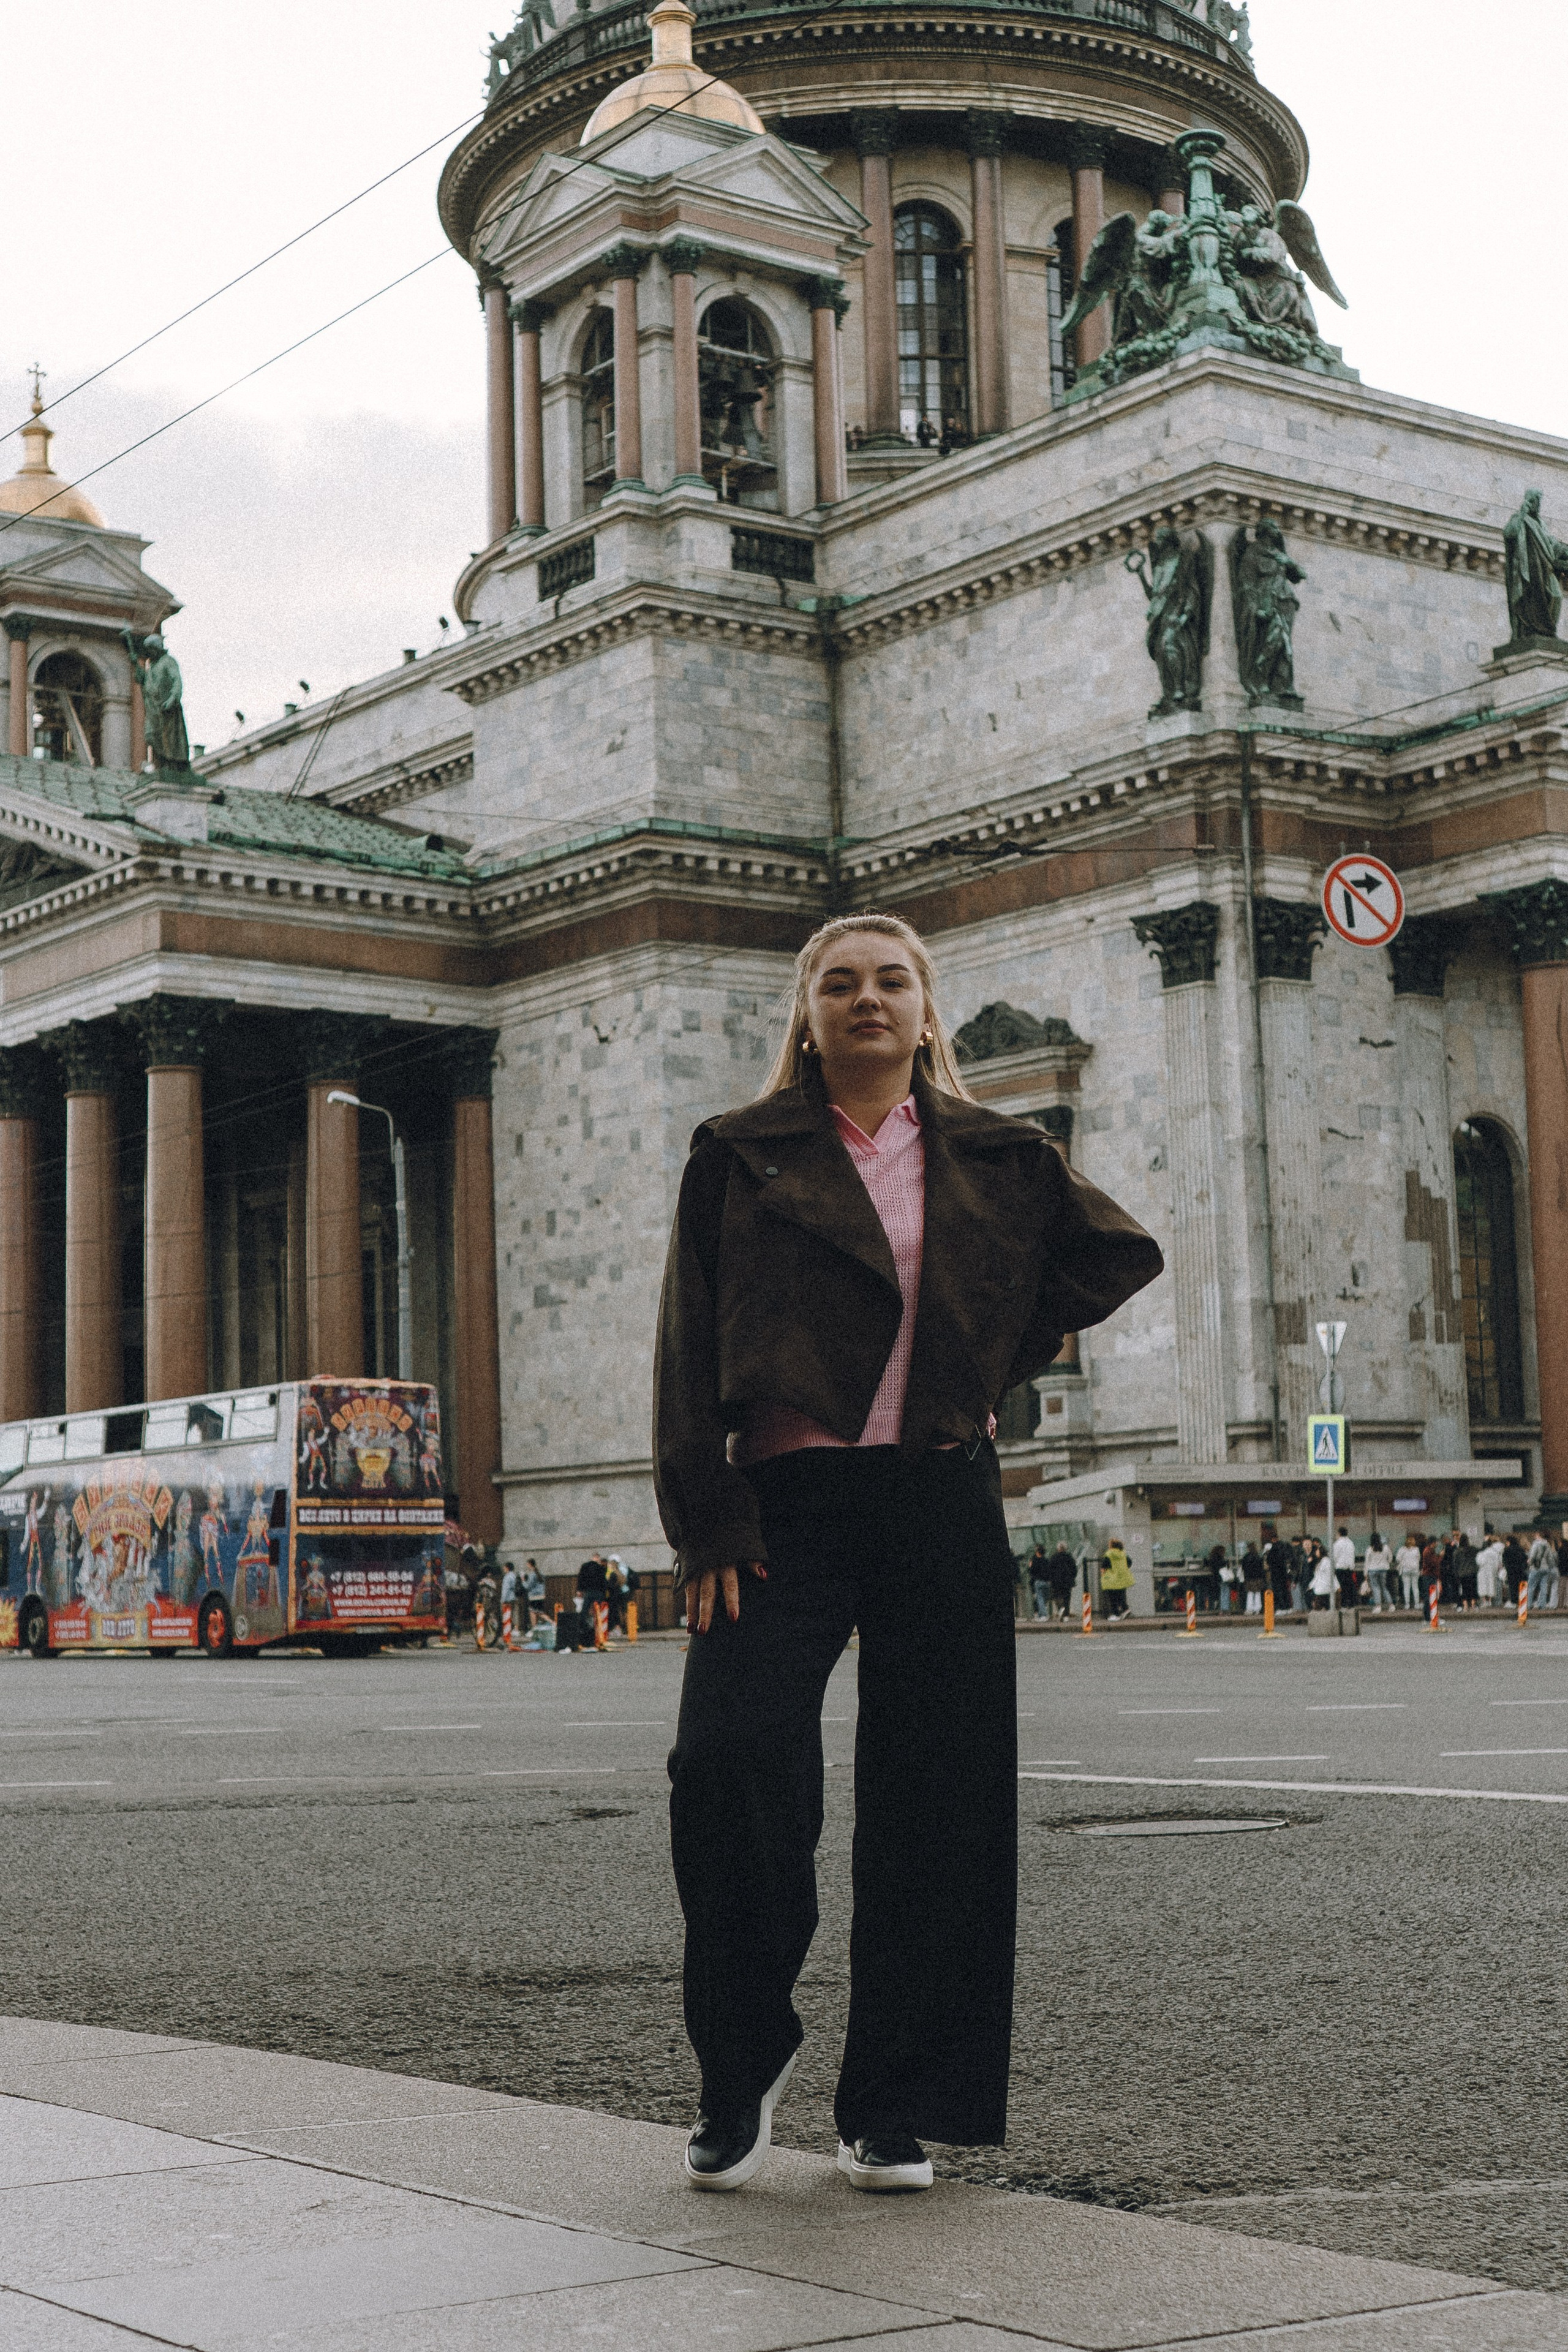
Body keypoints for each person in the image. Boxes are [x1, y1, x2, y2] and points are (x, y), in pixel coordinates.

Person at [654, 911, 1160, 2196]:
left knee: (940, 1797)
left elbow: (1109, 1257)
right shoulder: (738, 1152)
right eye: (840, 984)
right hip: (780, 1504)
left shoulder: (1000, 1155)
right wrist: (704, 1518)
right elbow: (684, 1341)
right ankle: (740, 2060)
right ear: (808, 1014)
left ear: (927, 1012)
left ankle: (894, 2105)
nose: (866, 999)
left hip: (938, 1493)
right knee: (725, 1762)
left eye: (891, 981)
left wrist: (977, 1356)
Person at [1101, 1538, 1134, 1619]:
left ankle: (1116, 1614)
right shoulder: (1124, 1555)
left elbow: (1104, 1567)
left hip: (1111, 1579)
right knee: (1121, 1596)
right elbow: (1129, 1563)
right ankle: (1125, 1609)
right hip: (1122, 1578)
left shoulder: (1109, 1555)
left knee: (1112, 1598)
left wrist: (1103, 1576)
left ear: (1111, 1546)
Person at [1364, 1529, 1393, 1615]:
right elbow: (1390, 1558)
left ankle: (1378, 1606)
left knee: (1375, 1588)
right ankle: (1391, 1605)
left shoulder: (1370, 1549)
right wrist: (1387, 1563)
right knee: (1384, 1587)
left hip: (1372, 1570)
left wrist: (1365, 1573)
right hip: (1383, 1570)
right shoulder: (1386, 1548)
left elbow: (1367, 1562)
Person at [1049, 1542, 1079, 1622]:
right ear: (1065, 1549)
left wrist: (1051, 1580)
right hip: (1067, 1582)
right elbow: (1074, 1570)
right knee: (1067, 1598)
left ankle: (1060, 1609)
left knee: (1057, 1597)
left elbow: (1050, 1570)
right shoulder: (1069, 1558)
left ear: (1058, 1549)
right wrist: (1072, 1578)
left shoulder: (1054, 1557)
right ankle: (1066, 1614)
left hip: (1056, 1582)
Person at [1395, 1533, 1423, 1613]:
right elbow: (1419, 1558)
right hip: (1415, 1570)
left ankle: (1407, 1604)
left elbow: (1397, 1559)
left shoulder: (1402, 1549)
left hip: (1405, 1570)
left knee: (1406, 1587)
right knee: (1415, 1587)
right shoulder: (1416, 1549)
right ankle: (1417, 1604)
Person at [1331, 1524, 1356, 1611]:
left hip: (1340, 1568)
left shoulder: (1337, 1544)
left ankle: (1344, 1605)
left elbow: (1334, 1557)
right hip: (1349, 1569)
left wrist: (1333, 1567)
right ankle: (1352, 1605)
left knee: (1342, 1587)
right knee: (1350, 1587)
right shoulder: (1351, 1543)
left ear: (1339, 1533)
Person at [1502, 1532, 1528, 1610]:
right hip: (1520, 1571)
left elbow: (1505, 1561)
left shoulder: (1507, 1550)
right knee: (1520, 1587)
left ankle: (1514, 1602)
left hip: (1511, 1572)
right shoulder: (1521, 1550)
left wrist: (1507, 1568)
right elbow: (1525, 1559)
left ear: (1509, 1542)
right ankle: (1522, 1602)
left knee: (1512, 1587)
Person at [1028, 1542, 1052, 1622]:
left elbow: (1031, 1571)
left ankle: (1043, 1614)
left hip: (1038, 1581)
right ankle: (1041, 1613)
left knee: (1040, 1598)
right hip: (1046, 1582)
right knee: (1044, 1598)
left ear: (1038, 1552)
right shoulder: (1046, 1560)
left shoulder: (1034, 1561)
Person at [1310, 1542, 1335, 1611]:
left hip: (1324, 1588)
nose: (1316, 1552)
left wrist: (1312, 1585)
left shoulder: (1325, 1561)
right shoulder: (1321, 1561)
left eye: (1317, 1551)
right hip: (1322, 1588)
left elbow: (1320, 1575)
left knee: (1321, 1607)